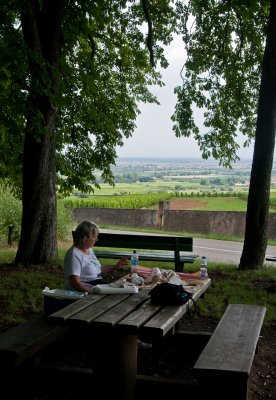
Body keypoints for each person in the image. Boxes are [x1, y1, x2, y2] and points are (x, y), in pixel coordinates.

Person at [64, 220, 128, 293]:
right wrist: (93, 293)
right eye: (94, 237)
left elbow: (97, 270)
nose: (96, 239)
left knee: (123, 289)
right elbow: (75, 283)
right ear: (85, 238)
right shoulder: (74, 255)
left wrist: (115, 266)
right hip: (83, 291)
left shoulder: (89, 250)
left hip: (95, 285)